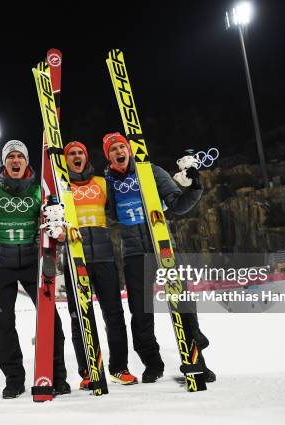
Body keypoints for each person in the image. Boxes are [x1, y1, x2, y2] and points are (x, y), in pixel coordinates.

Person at [102, 132, 215, 384]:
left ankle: (196, 361)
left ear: (129, 150)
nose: (119, 152)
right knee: (140, 313)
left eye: (122, 147)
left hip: (162, 247)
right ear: (108, 156)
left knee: (182, 302)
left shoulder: (151, 171)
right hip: (133, 253)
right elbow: (107, 214)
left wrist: (195, 186)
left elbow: (177, 204)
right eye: (113, 149)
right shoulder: (106, 182)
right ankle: (152, 363)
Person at [0, 139, 70, 399]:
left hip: (34, 265)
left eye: (20, 156)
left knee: (51, 319)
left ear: (27, 161)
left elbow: (57, 226)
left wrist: (60, 231)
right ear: (4, 162)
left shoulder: (39, 191)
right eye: (10, 157)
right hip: (2, 266)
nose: (15, 161)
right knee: (5, 324)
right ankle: (14, 379)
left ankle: (58, 376)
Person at [63, 141, 137, 389]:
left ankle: (119, 367)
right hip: (76, 260)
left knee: (114, 314)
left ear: (86, 157)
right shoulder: (61, 186)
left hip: (105, 257)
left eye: (80, 153)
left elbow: (117, 211)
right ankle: (87, 370)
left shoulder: (102, 183)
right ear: (65, 159)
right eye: (71, 153)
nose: (76, 156)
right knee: (80, 318)